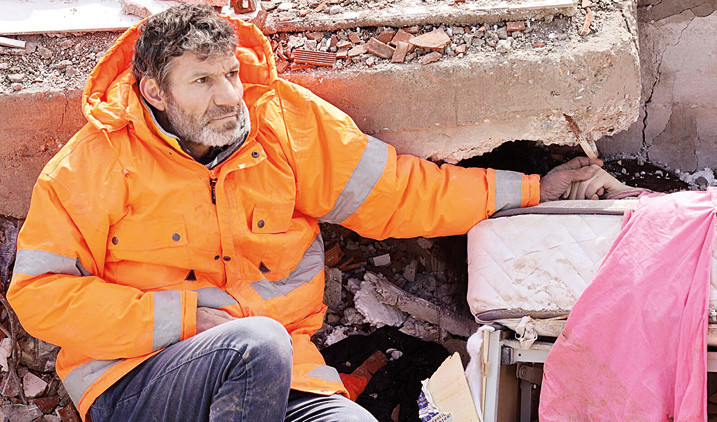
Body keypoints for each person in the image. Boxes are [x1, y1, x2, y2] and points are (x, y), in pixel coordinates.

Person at [8, 4, 627, 421]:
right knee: (255, 343)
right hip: (136, 383)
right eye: (201, 81)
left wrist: (534, 189)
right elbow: (38, 296)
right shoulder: (90, 163)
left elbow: (402, 194)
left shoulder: (281, 122)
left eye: (231, 74)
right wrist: (183, 318)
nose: (228, 97)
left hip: (286, 378)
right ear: (153, 91)